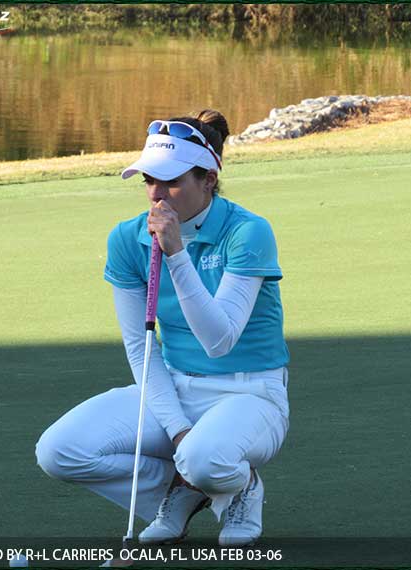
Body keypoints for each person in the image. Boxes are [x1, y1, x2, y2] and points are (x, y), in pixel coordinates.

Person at [35, 109, 290, 546]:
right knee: (59, 451)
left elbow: (219, 339)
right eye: (149, 180)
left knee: (204, 459)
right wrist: (177, 429)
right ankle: (184, 490)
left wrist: (176, 255)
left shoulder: (247, 232)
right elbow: (141, 348)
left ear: (208, 179)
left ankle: (236, 483)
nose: (157, 194)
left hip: (250, 392)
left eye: (172, 181)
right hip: (174, 387)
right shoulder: (126, 238)